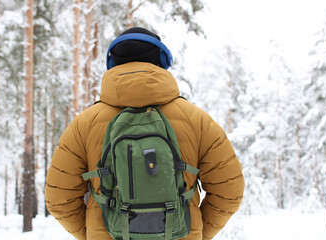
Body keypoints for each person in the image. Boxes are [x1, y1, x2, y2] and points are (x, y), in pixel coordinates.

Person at [45, 27, 245, 240]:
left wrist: (92, 234)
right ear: (161, 60)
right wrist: (198, 232)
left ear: (112, 64)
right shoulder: (197, 120)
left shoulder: (84, 124)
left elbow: (59, 198)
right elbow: (229, 191)